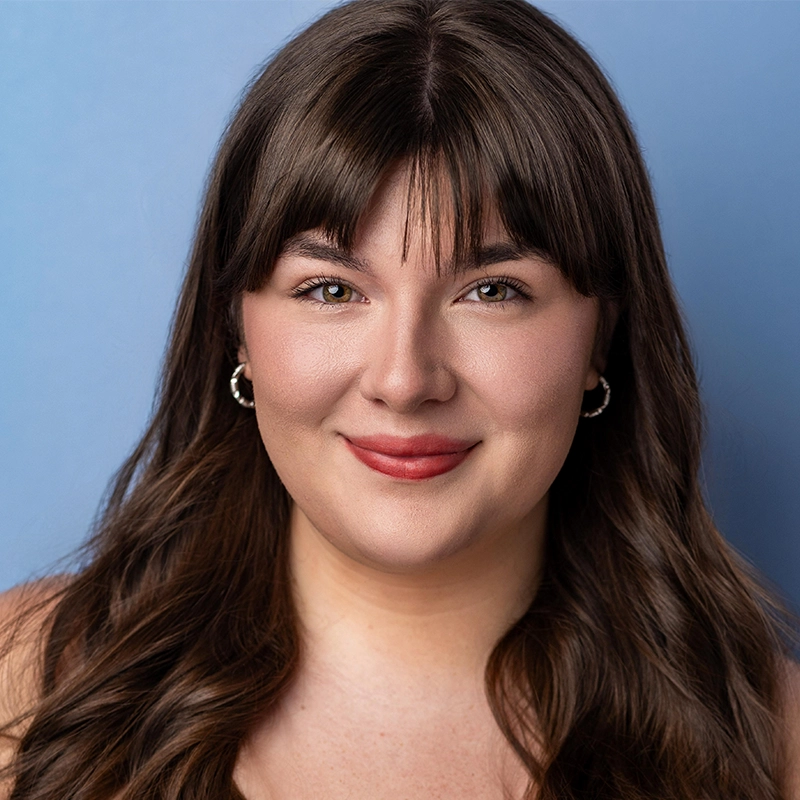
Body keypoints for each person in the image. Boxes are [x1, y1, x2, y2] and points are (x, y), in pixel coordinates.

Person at [1, 0, 798, 797]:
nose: (405, 380)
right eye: (329, 289)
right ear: (234, 329)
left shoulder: (775, 744)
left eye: (493, 290)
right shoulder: (27, 685)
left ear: (601, 337)